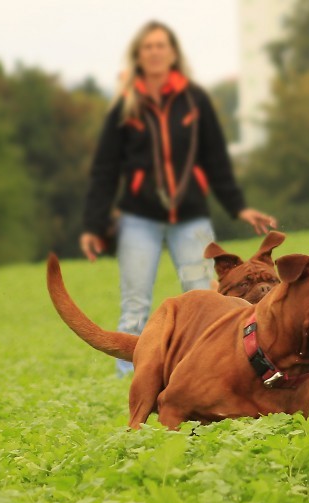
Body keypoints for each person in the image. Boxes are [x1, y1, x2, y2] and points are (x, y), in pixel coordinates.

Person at [79, 20, 277, 377]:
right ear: (139, 55)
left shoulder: (194, 99)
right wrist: (94, 225)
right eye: (148, 47)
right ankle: (131, 379)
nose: (155, 52)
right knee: (135, 304)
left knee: (208, 298)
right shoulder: (126, 105)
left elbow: (216, 157)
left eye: (161, 46)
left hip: (190, 217)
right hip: (138, 219)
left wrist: (238, 206)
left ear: (172, 53)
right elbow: (105, 169)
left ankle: (210, 370)